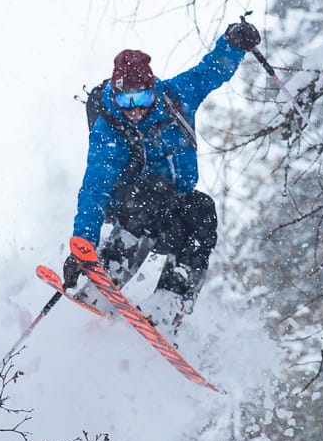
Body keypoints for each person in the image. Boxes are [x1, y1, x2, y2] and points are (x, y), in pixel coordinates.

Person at [60, 19, 261, 309]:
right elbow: (96, 188)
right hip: (131, 207)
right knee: (152, 190)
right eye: (125, 100)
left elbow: (210, 72)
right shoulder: (110, 128)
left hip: (170, 212)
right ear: (114, 96)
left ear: (152, 89)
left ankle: (170, 301)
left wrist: (233, 44)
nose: (135, 109)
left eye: (141, 97)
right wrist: (83, 246)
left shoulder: (176, 98)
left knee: (202, 210)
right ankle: (109, 273)